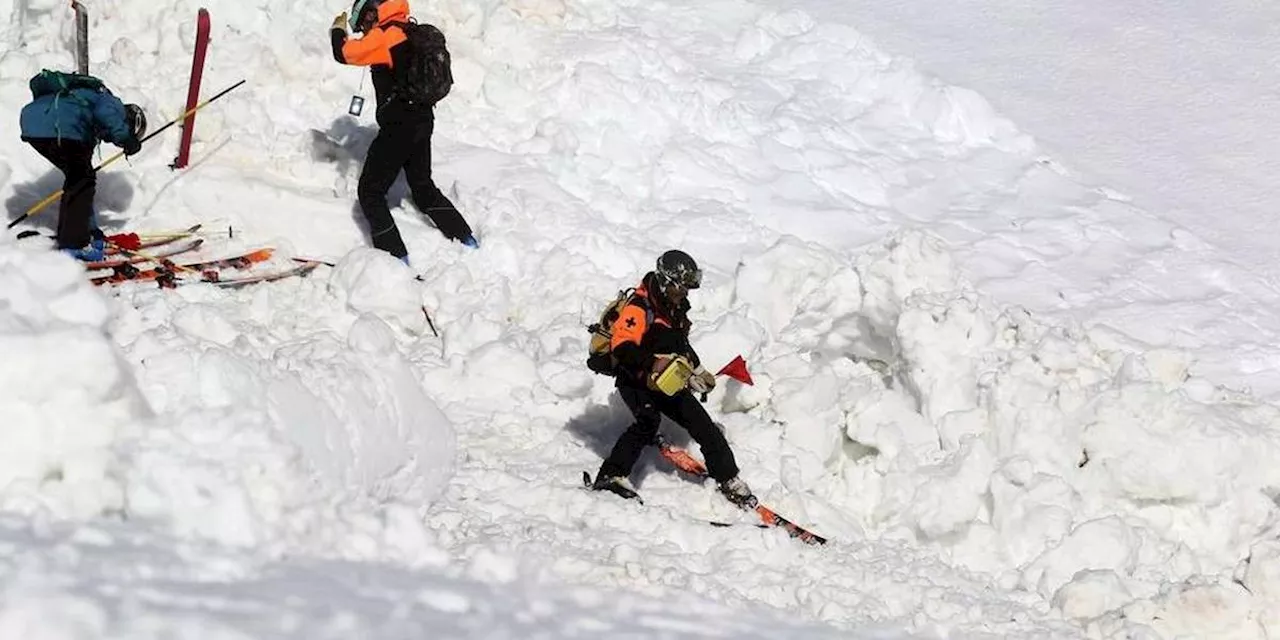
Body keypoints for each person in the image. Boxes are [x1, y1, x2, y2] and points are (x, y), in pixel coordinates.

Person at [590, 250, 755, 508]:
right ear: (667, 282)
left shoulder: (675, 307)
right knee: (648, 422)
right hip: (634, 379)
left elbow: (681, 345)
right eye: (682, 287)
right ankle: (611, 475)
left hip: (664, 381)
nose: (686, 293)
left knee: (704, 426)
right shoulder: (639, 307)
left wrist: (698, 372)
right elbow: (622, 348)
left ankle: (728, 479)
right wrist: (653, 362)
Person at [330, 0, 478, 266]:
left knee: (371, 193)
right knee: (423, 187)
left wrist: (338, 30)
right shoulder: (409, 31)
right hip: (423, 119)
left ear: (374, 12)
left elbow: (344, 53)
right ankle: (467, 239)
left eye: (364, 22)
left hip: (400, 124)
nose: (364, 30)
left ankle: (396, 260)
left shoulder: (386, 35)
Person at [18, 69, 144, 262]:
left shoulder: (84, 118)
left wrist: (91, 228)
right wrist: (126, 139)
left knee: (78, 180)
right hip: (59, 126)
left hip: (34, 126)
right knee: (82, 181)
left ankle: (76, 233)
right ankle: (74, 244)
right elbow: (106, 113)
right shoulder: (111, 102)